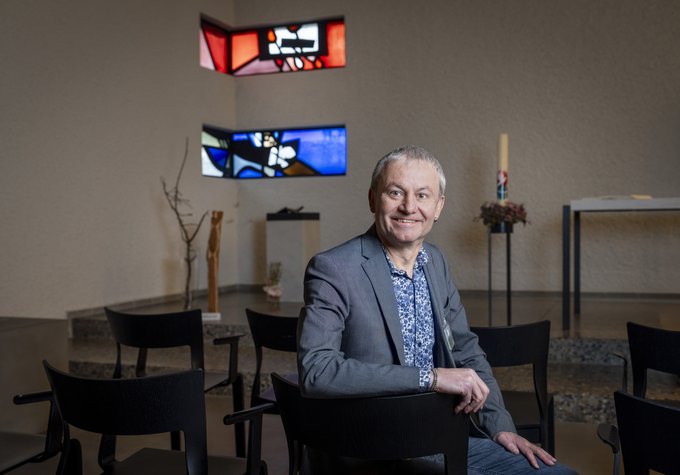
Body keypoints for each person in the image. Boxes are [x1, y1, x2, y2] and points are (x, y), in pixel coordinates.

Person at [297, 145, 578, 474]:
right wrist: (431, 378)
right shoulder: (334, 268)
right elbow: (317, 372)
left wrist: (500, 427)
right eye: (395, 192)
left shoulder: (436, 262)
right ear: (373, 199)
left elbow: (466, 350)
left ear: (438, 206)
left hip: (443, 436)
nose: (409, 207)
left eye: (422, 195)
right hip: (371, 448)